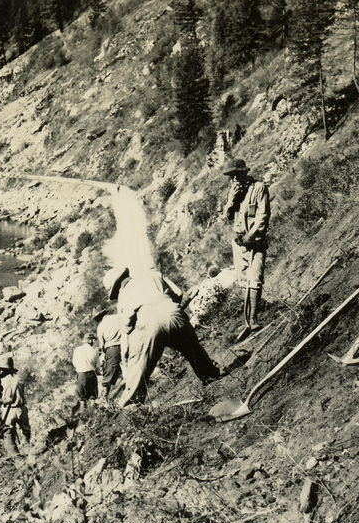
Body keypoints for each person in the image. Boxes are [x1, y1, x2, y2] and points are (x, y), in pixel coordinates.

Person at [102, 266, 222, 407]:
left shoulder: (123, 296)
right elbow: (178, 293)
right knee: (192, 348)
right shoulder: (154, 274)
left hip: (147, 324)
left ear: (116, 288)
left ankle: (130, 403)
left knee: (139, 364)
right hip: (172, 311)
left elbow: (127, 325)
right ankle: (209, 375)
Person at [221, 158, 270, 333]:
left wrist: (251, 235)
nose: (233, 180)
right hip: (239, 241)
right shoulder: (233, 192)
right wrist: (231, 200)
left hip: (255, 241)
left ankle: (253, 318)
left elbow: (263, 216)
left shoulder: (259, 188)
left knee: (255, 278)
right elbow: (227, 216)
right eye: (230, 177)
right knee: (243, 280)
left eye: (235, 175)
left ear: (244, 173)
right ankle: (247, 320)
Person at [94, 307, 123, 402]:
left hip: (112, 348)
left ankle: (105, 398)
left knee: (109, 372)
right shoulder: (117, 317)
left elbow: (102, 345)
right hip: (125, 343)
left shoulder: (100, 326)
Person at [1, 366, 31, 454]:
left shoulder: (2, 382)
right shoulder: (19, 380)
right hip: (21, 408)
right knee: (26, 429)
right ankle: (27, 448)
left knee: (9, 432)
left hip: (8, 410)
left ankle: (15, 453)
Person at [72, 331, 100, 411]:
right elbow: (98, 365)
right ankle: (93, 413)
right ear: (92, 341)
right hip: (91, 374)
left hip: (82, 374)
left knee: (82, 398)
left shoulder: (77, 350)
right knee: (92, 397)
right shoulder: (94, 351)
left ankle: (84, 415)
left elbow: (75, 363)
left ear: (84, 340)